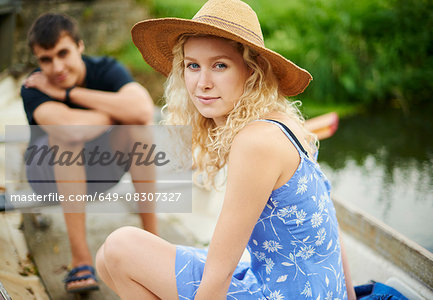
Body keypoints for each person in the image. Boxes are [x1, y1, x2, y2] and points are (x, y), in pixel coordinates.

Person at [96, 0, 356, 299]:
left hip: (284, 293)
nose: (202, 83)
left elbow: (220, 274)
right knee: (106, 260)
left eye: (220, 65)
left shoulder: (256, 142)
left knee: (120, 246)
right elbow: (335, 232)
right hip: (304, 287)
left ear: (252, 72)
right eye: (192, 65)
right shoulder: (284, 122)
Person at [21, 13, 157, 294]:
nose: (56, 67)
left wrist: (69, 95)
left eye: (63, 53)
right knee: (64, 139)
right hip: (47, 180)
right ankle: (80, 260)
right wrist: (116, 112)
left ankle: (153, 240)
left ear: (80, 46)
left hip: (99, 173)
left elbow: (143, 111)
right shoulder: (34, 85)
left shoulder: (104, 69)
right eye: (46, 59)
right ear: (38, 61)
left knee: (139, 129)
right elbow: (71, 130)